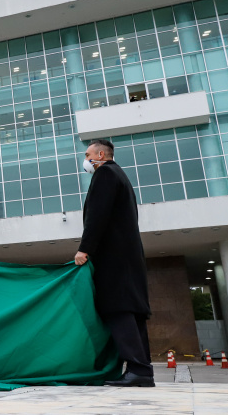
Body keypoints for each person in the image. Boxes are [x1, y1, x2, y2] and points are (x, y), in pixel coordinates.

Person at [74, 139, 154, 387]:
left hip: (114, 258)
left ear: (100, 154)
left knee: (118, 310)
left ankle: (138, 369)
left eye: (88, 155)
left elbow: (98, 216)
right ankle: (141, 370)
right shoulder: (121, 176)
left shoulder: (105, 174)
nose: (86, 159)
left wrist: (85, 249)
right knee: (132, 314)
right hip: (128, 258)